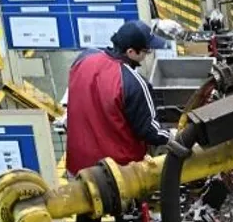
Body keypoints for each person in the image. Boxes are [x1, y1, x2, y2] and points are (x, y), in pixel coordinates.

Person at [65, 19, 171, 178]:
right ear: (131, 52)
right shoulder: (133, 82)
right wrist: (174, 136)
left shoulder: (83, 59)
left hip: (77, 169)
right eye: (146, 51)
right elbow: (150, 131)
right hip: (116, 176)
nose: (147, 55)